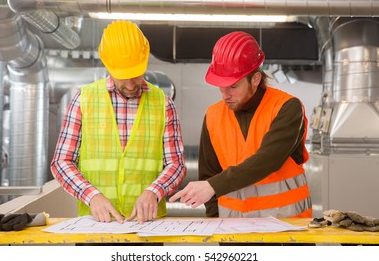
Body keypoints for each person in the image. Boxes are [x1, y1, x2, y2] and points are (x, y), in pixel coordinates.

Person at [51, 20, 187, 224]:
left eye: (136, 75)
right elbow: (61, 162)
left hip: (147, 227)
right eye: (123, 77)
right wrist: (92, 196)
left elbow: (176, 164)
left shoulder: (163, 104)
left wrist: (154, 192)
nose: (131, 85)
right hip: (96, 225)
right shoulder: (83, 100)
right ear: (108, 65)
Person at [169, 31, 312, 219]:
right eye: (220, 86)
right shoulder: (213, 116)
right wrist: (215, 225)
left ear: (255, 79)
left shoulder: (286, 107)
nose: (224, 95)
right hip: (235, 233)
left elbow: (268, 159)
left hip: (287, 231)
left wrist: (214, 185)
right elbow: (209, 174)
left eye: (233, 86)